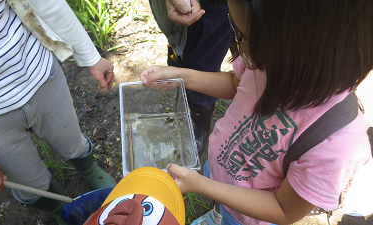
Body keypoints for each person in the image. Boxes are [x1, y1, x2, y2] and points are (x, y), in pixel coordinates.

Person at [140, 0, 373, 224]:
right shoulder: (269, 63)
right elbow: (236, 83)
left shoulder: (337, 145)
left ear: (297, 47)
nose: (237, 45)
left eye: (242, 35)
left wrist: (201, 185)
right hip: (222, 170)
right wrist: (183, 76)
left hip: (249, 217)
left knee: (231, 219)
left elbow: (283, 210)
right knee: (222, 208)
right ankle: (217, 215)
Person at [0, 0, 116, 224]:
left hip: (40, 75)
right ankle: (60, 208)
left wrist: (90, 56)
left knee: (73, 143)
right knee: (31, 186)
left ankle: (89, 170)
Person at [149, 0, 233, 154]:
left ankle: (201, 114)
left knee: (206, 58)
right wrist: (180, 75)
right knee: (188, 57)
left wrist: (181, 76)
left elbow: (240, 84)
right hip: (198, 8)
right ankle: (198, 112)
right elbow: (237, 84)